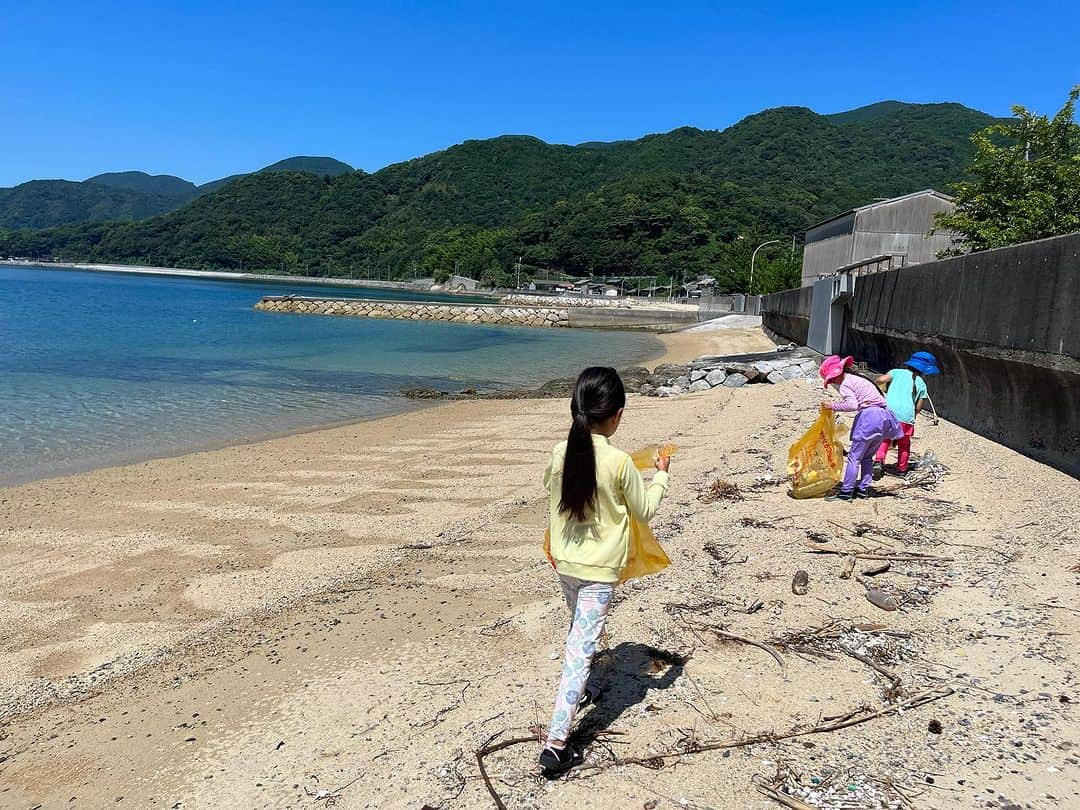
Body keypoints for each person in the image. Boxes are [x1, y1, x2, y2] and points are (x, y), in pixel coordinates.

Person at [539, 367, 671, 775]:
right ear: (616, 415)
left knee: (579, 629)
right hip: (598, 571)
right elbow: (645, 511)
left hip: (566, 562)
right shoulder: (617, 462)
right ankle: (557, 742)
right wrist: (662, 475)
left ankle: (586, 686)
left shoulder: (563, 451)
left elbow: (550, 485)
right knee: (578, 648)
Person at [819, 355, 903, 502]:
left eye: (831, 380)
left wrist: (832, 406)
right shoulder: (858, 379)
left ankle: (846, 493)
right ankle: (863, 489)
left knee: (854, 457)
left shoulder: (845, 384)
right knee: (867, 457)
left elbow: (852, 405)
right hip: (883, 418)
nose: (833, 383)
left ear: (837, 374)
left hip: (869, 418)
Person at [873, 351, 940, 477]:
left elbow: (879, 380)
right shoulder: (921, 383)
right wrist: (914, 414)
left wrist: (883, 389)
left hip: (888, 412)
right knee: (904, 444)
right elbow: (919, 406)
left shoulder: (895, 372)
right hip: (906, 417)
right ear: (925, 370)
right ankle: (902, 468)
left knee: (885, 439)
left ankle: (878, 461)